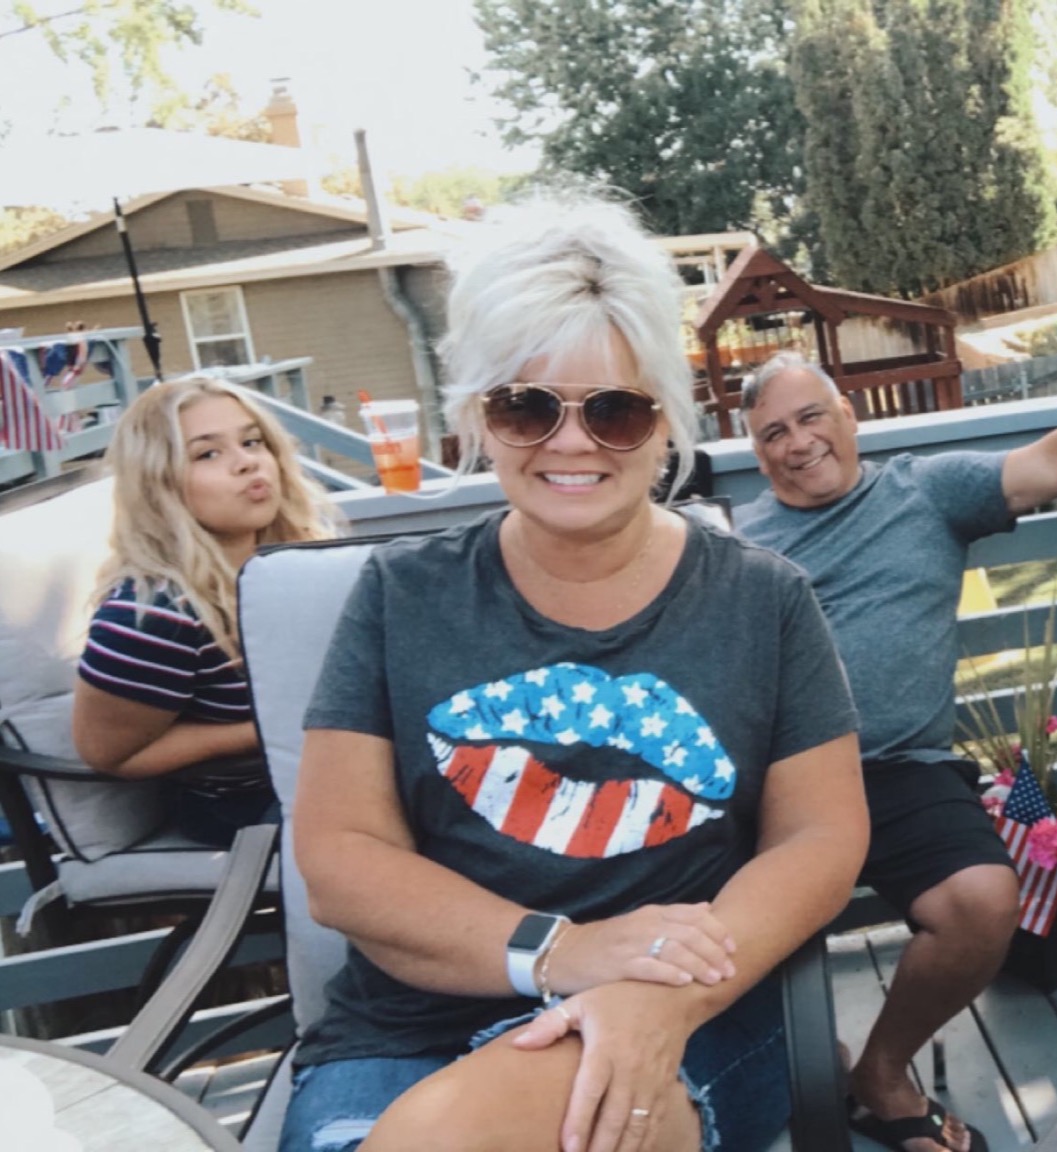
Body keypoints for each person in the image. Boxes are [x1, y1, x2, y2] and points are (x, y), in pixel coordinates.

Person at [282, 199, 868, 1152]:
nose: (569, 442)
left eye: (614, 410)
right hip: (405, 1035)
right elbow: (341, 860)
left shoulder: (764, 601)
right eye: (525, 407)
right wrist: (564, 953)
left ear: (665, 419)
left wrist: (657, 991)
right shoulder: (401, 595)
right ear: (479, 417)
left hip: (683, 1011)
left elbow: (821, 837)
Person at [734, 352, 1057, 1152]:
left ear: (847, 416)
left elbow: (1055, 459)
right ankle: (799, 1060)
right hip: (781, 780)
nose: (798, 442)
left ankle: (880, 1071)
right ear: (756, 453)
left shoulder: (923, 492)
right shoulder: (738, 542)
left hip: (900, 771)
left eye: (811, 417)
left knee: (982, 902)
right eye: (773, 432)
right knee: (708, 904)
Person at [73, 374, 339, 847]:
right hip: (246, 805)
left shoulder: (301, 565)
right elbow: (110, 754)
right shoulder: (156, 614)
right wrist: (267, 729)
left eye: (252, 442)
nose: (247, 463)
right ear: (159, 483)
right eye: (207, 454)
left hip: (334, 771)